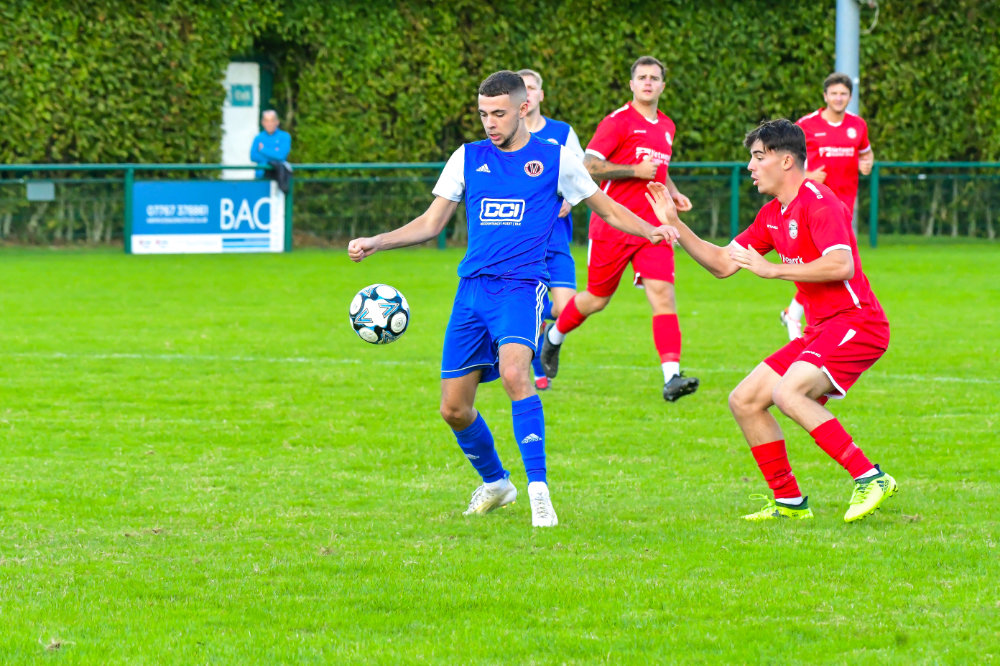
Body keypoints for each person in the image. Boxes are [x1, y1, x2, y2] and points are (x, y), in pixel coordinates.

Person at [347, 71, 676, 528]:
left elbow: (608, 208)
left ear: (523, 109)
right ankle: (497, 483)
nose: (489, 122)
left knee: (516, 373)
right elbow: (430, 223)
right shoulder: (467, 158)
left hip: (522, 287)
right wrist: (376, 242)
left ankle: (540, 493)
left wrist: (650, 230)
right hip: (471, 292)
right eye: (483, 113)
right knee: (453, 408)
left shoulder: (556, 158)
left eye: (498, 113)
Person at [644, 118, 896, 523]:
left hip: (857, 323)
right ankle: (789, 502)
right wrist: (675, 224)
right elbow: (722, 264)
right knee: (744, 400)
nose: (750, 166)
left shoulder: (820, 201)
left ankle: (871, 477)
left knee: (788, 393)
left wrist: (773, 270)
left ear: (786, 160)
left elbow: (842, 265)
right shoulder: (772, 215)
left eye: (758, 157)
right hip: (821, 329)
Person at [539, 56, 699, 403]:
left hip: (654, 228)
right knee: (597, 299)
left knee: (663, 295)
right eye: (642, 77)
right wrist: (633, 171)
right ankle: (553, 338)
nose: (648, 82)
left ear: (663, 86)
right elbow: (589, 166)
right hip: (613, 225)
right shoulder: (618, 121)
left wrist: (672, 192)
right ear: (631, 84)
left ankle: (672, 377)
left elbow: (659, 168)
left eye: (654, 78)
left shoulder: (667, 126)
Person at [780, 73, 875, 340]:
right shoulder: (806, 125)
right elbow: (785, 158)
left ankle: (795, 314)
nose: (838, 98)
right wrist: (807, 176)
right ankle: (808, 322)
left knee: (832, 264)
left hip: (844, 208)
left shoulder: (858, 126)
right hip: (814, 205)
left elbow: (866, 153)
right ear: (825, 96)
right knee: (825, 264)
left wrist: (867, 163)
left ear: (850, 97)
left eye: (843, 94)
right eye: (834, 93)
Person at [517, 68, 586, 391]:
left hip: (556, 240)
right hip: (520, 243)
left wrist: (570, 199)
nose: (527, 93)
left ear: (541, 94)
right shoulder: (507, 137)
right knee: (525, 312)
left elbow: (582, 175)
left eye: (532, 87)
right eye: (521, 88)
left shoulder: (561, 132)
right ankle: (535, 364)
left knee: (566, 307)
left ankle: (544, 336)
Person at [250, 109, 292, 179]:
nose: (269, 124)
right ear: (262, 122)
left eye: (272, 121)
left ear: (277, 122)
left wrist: (263, 150)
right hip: (261, 177)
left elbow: (281, 156)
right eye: (266, 121)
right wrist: (274, 156)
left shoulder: (285, 136)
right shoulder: (258, 138)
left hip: (279, 177)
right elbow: (253, 156)